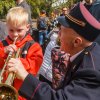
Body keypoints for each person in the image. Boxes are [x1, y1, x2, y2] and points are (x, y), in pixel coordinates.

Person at [7, 2, 100, 100]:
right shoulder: (88, 53)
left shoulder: (92, 73)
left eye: (61, 32)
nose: (58, 35)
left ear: (76, 42)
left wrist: (24, 75)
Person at [0, 7, 43, 100]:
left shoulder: (34, 46)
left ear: (27, 27)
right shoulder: (3, 44)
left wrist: (19, 63)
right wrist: (3, 51)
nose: (15, 34)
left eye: (19, 30)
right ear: (7, 26)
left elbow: (34, 68)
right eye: (11, 30)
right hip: (4, 91)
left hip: (23, 94)